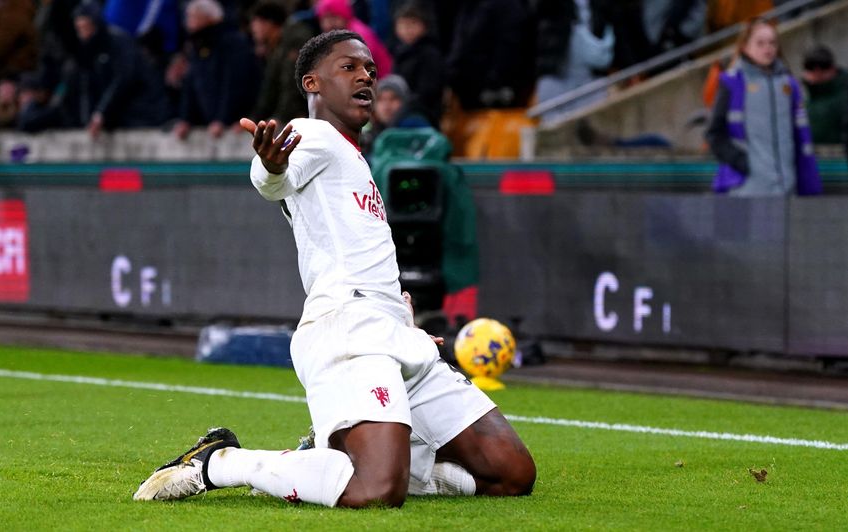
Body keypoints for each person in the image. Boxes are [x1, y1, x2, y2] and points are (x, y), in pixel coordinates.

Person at [133, 29, 536, 508]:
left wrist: (399, 315)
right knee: (377, 490)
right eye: (349, 67)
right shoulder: (314, 136)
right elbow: (273, 179)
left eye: (369, 68)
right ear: (313, 83)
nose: (365, 75)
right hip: (349, 330)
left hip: (392, 331)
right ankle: (219, 463)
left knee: (511, 473)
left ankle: (334, 459)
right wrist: (269, 165)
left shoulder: (354, 155)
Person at [705, 18, 821, 196]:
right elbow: (714, 133)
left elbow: (801, 136)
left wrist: (808, 184)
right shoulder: (732, 82)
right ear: (745, 46)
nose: (768, 48)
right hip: (746, 189)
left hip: (785, 187)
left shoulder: (788, 84)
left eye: (772, 43)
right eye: (760, 43)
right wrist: (741, 162)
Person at [65, 2, 169, 137]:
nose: (83, 34)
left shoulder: (118, 42)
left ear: (95, 24)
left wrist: (101, 113)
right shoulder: (88, 51)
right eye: (79, 29)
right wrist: (90, 118)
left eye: (86, 27)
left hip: (143, 113)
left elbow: (124, 79)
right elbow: (87, 86)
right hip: (118, 117)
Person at [172, 0, 261, 140]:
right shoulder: (196, 45)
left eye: (193, 17)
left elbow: (234, 85)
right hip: (212, 123)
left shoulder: (233, 44)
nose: (188, 23)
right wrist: (186, 119)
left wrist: (222, 119)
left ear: (210, 18)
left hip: (235, 124)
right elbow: (191, 85)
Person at [248, 1, 313, 125]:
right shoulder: (277, 45)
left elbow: (291, 85)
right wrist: (255, 118)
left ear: (268, 24)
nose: (253, 29)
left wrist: (280, 117)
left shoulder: (295, 41)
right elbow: (269, 88)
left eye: (255, 23)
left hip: (303, 117)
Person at [390, 1, 443, 126]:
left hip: (423, 114)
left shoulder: (430, 53)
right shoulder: (400, 52)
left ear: (424, 26)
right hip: (401, 108)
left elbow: (428, 91)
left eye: (413, 24)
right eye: (403, 24)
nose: (407, 29)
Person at [315, 0, 393, 77]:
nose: (328, 24)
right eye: (324, 18)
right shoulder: (335, 36)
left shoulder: (358, 34)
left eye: (334, 17)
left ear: (344, 14)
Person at [800, 45, 848, 146]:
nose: (817, 72)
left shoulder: (841, 97)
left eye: (824, 66)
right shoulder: (808, 100)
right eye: (809, 68)